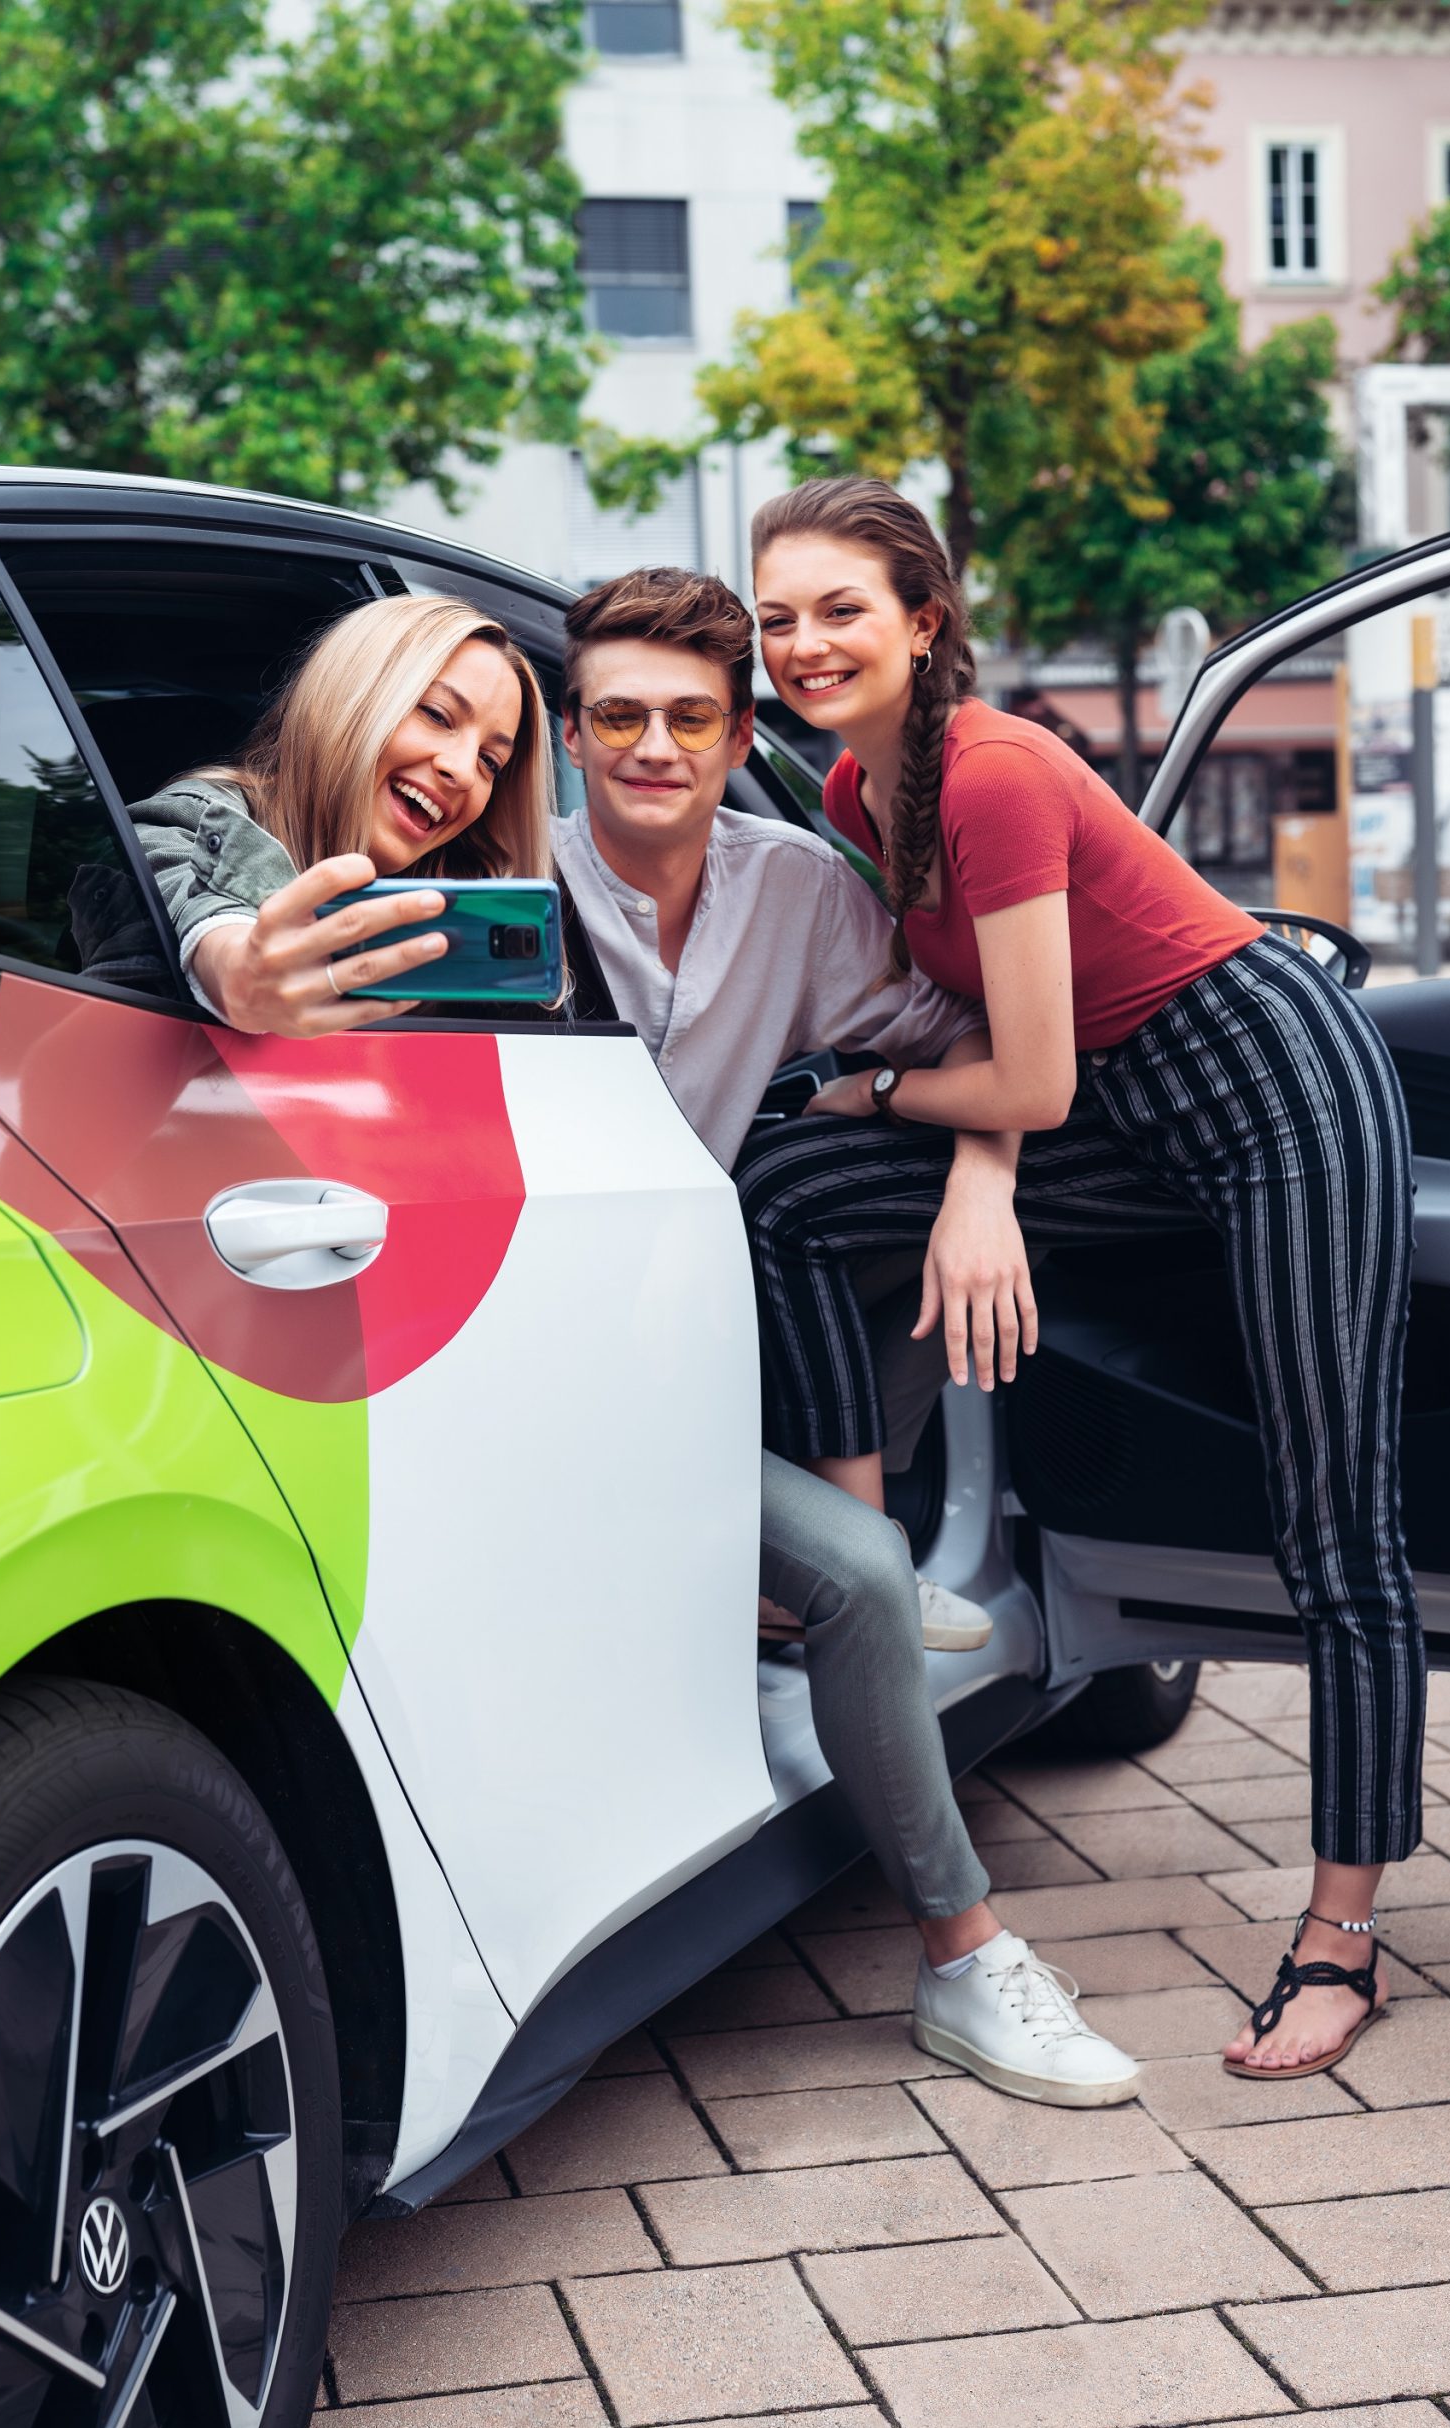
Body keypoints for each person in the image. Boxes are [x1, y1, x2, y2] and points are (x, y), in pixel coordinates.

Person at [739, 475, 1422, 2084]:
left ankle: (1340, 1938)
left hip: (1267, 1084)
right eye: (774, 618)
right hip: (1112, 1111)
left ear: (923, 620)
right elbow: (994, 1033)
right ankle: (866, 1557)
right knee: (784, 1187)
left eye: (838, 609)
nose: (802, 643)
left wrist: (891, 1101)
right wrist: (968, 1172)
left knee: (1332, 1514)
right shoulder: (850, 791)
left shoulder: (988, 773)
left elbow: (1021, 1075)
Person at [557, 565, 1142, 2106]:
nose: (653, 749)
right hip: (545, 1380)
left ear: (734, 729)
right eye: (617, 716)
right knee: (866, 1575)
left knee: (909, 1221)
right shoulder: (506, 889)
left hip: (709, 1357)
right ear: (567, 734)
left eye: (691, 718)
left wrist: (984, 1192)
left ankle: (809, 1577)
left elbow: (972, 1046)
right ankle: (961, 1953)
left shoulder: (798, 888)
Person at [131, 592, 554, 1029]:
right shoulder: (193, 821)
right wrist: (241, 975)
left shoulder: (465, 913)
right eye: (436, 715)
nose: (464, 772)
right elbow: (188, 901)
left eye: (490, 762)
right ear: (350, 699)